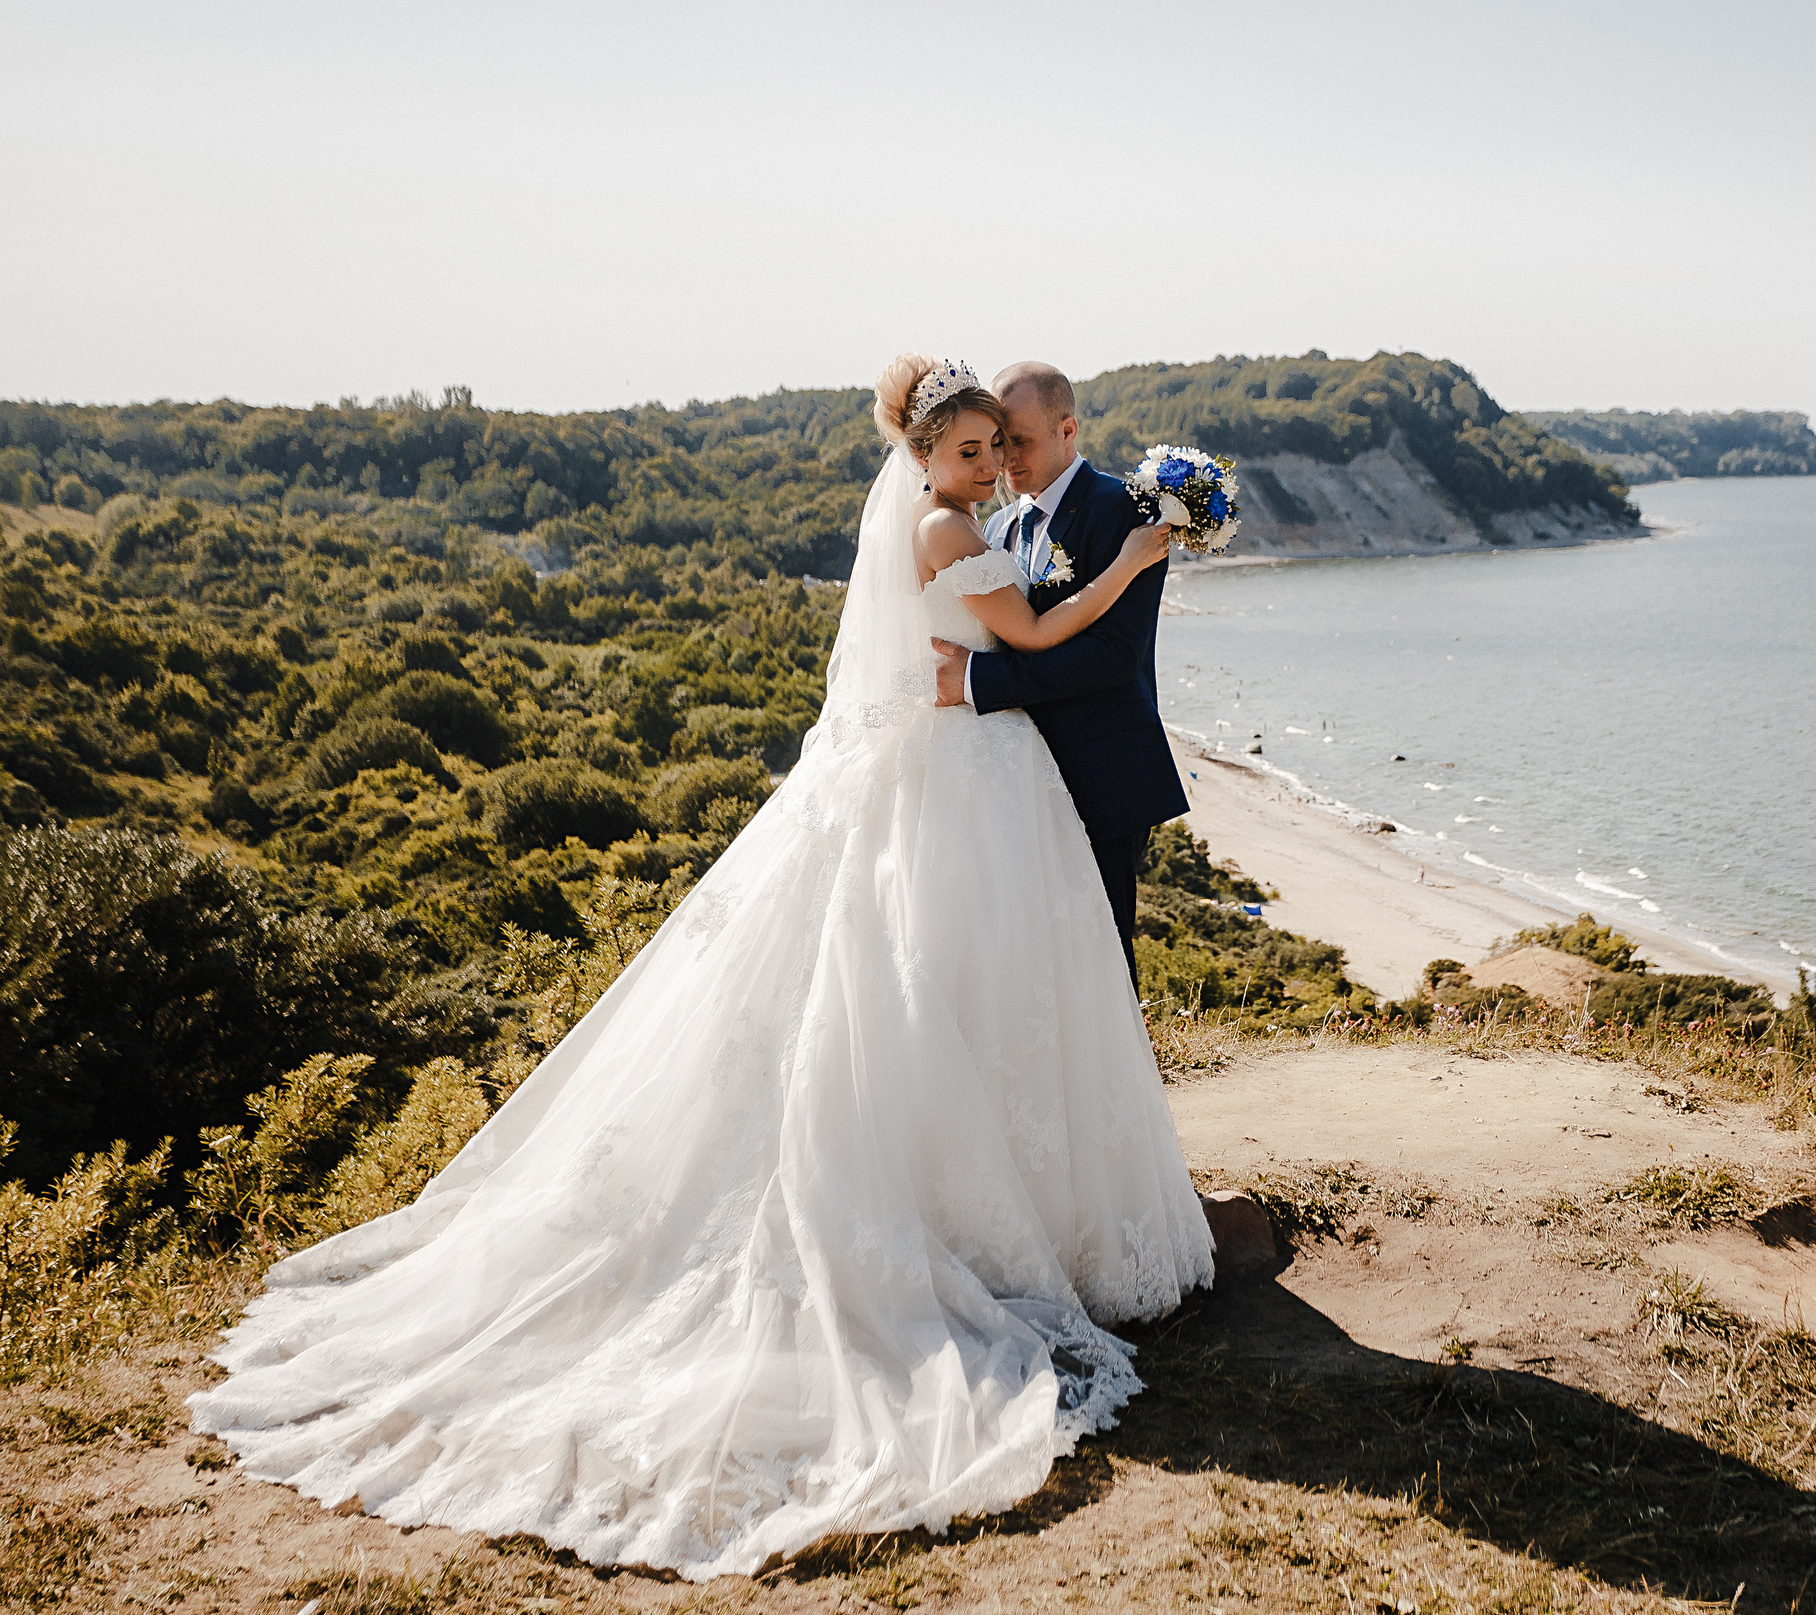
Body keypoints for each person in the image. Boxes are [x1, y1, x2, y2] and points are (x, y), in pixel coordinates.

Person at [189, 354, 1217, 1582]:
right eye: (970, 450)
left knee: (978, 993)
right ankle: (985, 1226)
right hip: (968, 782)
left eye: (1000, 446)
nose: (991, 466)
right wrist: (1128, 566)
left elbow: (1031, 644)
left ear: (1036, 437)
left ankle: (1022, 1213)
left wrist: (1061, 592)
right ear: (924, 456)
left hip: (981, 779)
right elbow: (1043, 629)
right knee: (950, 984)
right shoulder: (957, 529)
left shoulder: (972, 516)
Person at [933, 361, 1190, 987]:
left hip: (1103, 770)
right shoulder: (996, 525)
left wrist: (978, 682)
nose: (1004, 459)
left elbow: (1113, 656)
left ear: (1067, 428)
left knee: (1100, 958)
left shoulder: (1123, 509)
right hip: (1020, 778)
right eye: (996, 442)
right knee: (1038, 960)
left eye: (1018, 440)